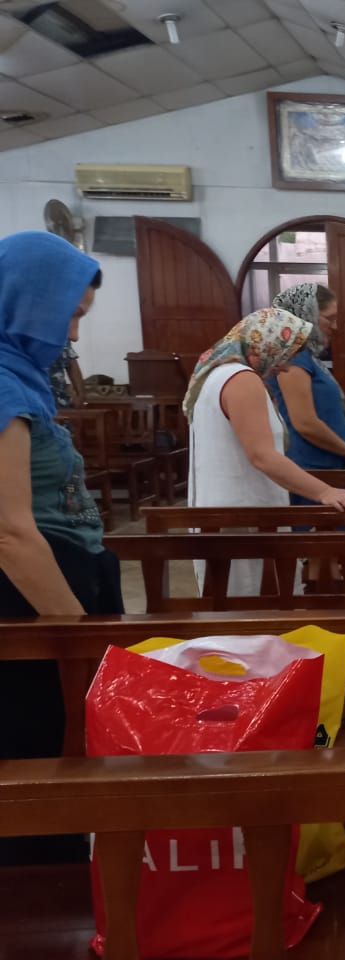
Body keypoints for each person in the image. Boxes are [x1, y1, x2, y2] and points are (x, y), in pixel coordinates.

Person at [0, 232, 122, 863]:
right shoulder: (2, 386)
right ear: (29, 302)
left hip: (60, 579)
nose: (73, 335)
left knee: (64, 745)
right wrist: (78, 636)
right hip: (33, 600)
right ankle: (44, 887)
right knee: (40, 747)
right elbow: (10, 532)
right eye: (70, 315)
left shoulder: (20, 377)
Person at [184, 308, 345, 596]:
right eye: (285, 354)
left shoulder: (220, 373)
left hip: (232, 514)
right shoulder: (241, 379)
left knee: (242, 605)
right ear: (266, 342)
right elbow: (263, 456)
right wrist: (324, 492)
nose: (284, 367)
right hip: (241, 519)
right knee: (253, 606)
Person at [267, 283, 345, 482]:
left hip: (326, 464)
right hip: (310, 467)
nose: (335, 326)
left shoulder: (309, 356)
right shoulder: (295, 357)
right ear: (307, 316)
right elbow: (305, 423)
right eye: (330, 318)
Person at [48, 341, 84, 408]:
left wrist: (80, 396)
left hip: (59, 400)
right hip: (32, 402)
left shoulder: (60, 338)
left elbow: (71, 363)